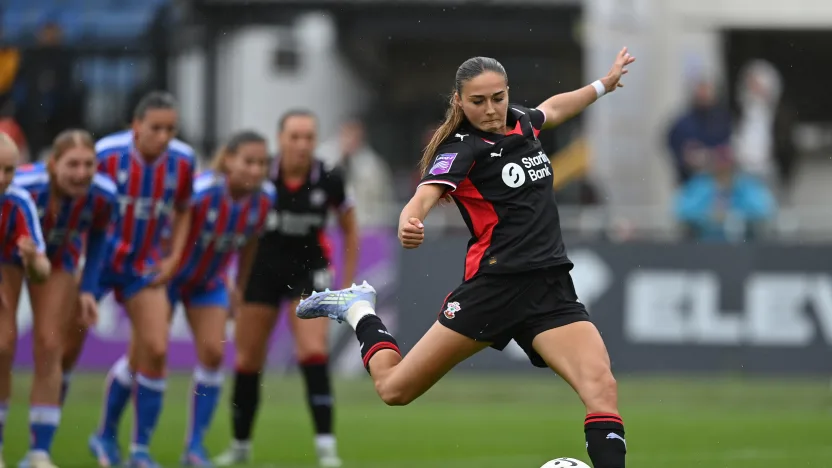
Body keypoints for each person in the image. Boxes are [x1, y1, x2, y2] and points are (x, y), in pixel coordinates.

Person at [296, 49, 636, 468]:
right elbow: (423, 196)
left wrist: (603, 84)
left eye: (498, 97)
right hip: (492, 289)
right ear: (459, 101)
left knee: (601, 387)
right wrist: (410, 222)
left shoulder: (521, 122)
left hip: (550, 289)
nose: (491, 109)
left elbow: (555, 107)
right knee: (394, 389)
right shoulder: (462, 149)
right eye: (478, 101)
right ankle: (360, 311)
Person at [91, 131, 276, 467]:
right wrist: (155, 267)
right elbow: (166, 227)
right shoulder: (202, 192)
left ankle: (195, 447)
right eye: (248, 161)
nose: (256, 169)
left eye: (262, 163)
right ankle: (107, 435)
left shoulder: (265, 198)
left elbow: (250, 243)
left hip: (209, 282)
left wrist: (239, 285)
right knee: (143, 358)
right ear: (228, 160)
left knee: (214, 352)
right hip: (168, 279)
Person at [214, 110, 358, 468]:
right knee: (248, 360)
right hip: (262, 272)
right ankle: (240, 446)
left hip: (309, 273)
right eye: (294, 137)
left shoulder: (329, 178)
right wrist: (232, 276)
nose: (301, 144)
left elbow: (350, 229)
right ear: (280, 139)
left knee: (312, 351)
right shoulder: (261, 174)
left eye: (308, 137)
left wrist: (349, 282)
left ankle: (326, 448)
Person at [65, 91, 195, 468]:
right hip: (99, 262)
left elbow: (185, 208)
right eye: (156, 128)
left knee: (154, 350)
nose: (164, 136)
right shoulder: (105, 154)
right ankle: (43, 447)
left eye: (171, 128)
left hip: (145, 265)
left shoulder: (183, 161)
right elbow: (78, 199)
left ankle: (137, 449)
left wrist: (174, 255)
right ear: (136, 126)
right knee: (65, 351)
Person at [7, 130, 118, 468]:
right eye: (73, 164)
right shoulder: (23, 185)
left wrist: (88, 289)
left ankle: (39, 452)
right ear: (53, 165)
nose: (82, 173)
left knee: (51, 346)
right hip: (9, 257)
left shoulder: (102, 195)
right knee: (1, 345)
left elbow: (99, 237)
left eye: (89, 164)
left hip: (60, 260)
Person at [0, 133, 50, 468]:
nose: (4, 178)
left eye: (10, 170)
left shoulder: (18, 203)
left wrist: (32, 259)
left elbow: (43, 271)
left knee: (3, 348)